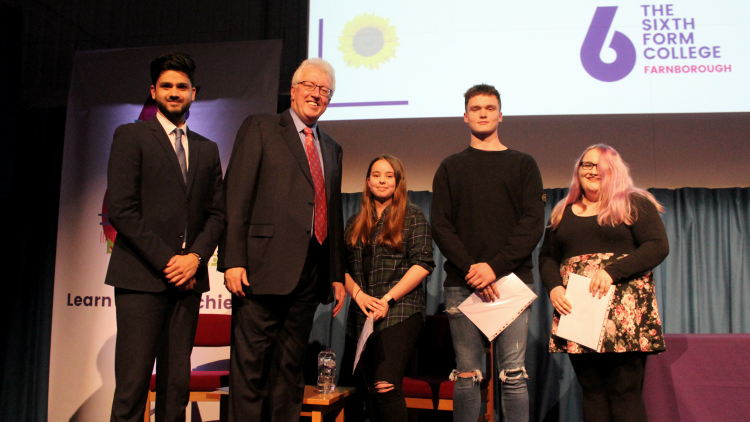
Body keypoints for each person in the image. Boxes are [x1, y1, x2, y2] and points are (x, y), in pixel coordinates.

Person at [218, 58, 346, 422]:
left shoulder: (332, 147)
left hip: (310, 273)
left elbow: (331, 213)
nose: (316, 95)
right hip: (259, 270)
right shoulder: (260, 127)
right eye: (310, 86)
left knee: (290, 372)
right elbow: (236, 196)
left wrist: (336, 273)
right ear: (293, 90)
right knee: (250, 371)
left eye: (325, 91)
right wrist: (233, 260)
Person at [105, 52, 226, 422]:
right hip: (141, 279)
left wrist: (195, 259)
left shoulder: (207, 149)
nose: (175, 92)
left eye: (182, 87)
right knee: (132, 385)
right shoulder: (130, 136)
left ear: (194, 93)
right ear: (153, 90)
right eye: (167, 86)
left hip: (188, 282)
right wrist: (168, 260)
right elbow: (121, 210)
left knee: (176, 389)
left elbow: (218, 214)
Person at [431, 84, 545, 422]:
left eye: (489, 107)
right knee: (467, 376)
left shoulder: (524, 165)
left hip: (511, 281)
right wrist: (472, 269)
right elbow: (441, 226)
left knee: (513, 375)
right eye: (476, 108)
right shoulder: (450, 167)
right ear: (465, 116)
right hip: (463, 282)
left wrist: (493, 268)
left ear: (500, 115)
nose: (483, 113)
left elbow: (531, 225)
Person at [539, 144, 669, 422]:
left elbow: (657, 246)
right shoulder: (563, 211)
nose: (592, 170)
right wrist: (554, 287)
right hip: (578, 309)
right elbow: (547, 257)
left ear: (614, 170)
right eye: (586, 164)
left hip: (623, 310)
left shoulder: (633, 202)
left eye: (600, 165)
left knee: (625, 391)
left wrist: (612, 271)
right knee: (593, 391)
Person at [343, 154, 434, 422]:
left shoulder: (413, 216)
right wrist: (357, 295)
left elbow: (423, 264)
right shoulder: (354, 222)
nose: (382, 180)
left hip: (400, 311)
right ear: (368, 181)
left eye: (389, 175)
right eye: (377, 175)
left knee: (386, 384)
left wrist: (388, 300)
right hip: (363, 312)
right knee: (371, 388)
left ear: (398, 181)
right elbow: (341, 268)